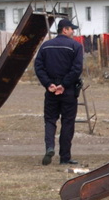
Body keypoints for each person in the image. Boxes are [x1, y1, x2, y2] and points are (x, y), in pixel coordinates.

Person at [34, 18, 83, 166]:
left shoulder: (45, 46)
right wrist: (64, 84)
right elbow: (76, 69)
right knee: (67, 122)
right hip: (68, 91)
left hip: (51, 90)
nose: (73, 32)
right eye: (71, 29)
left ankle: (49, 147)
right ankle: (65, 157)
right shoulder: (76, 46)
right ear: (65, 29)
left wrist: (49, 84)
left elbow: (38, 67)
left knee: (50, 120)